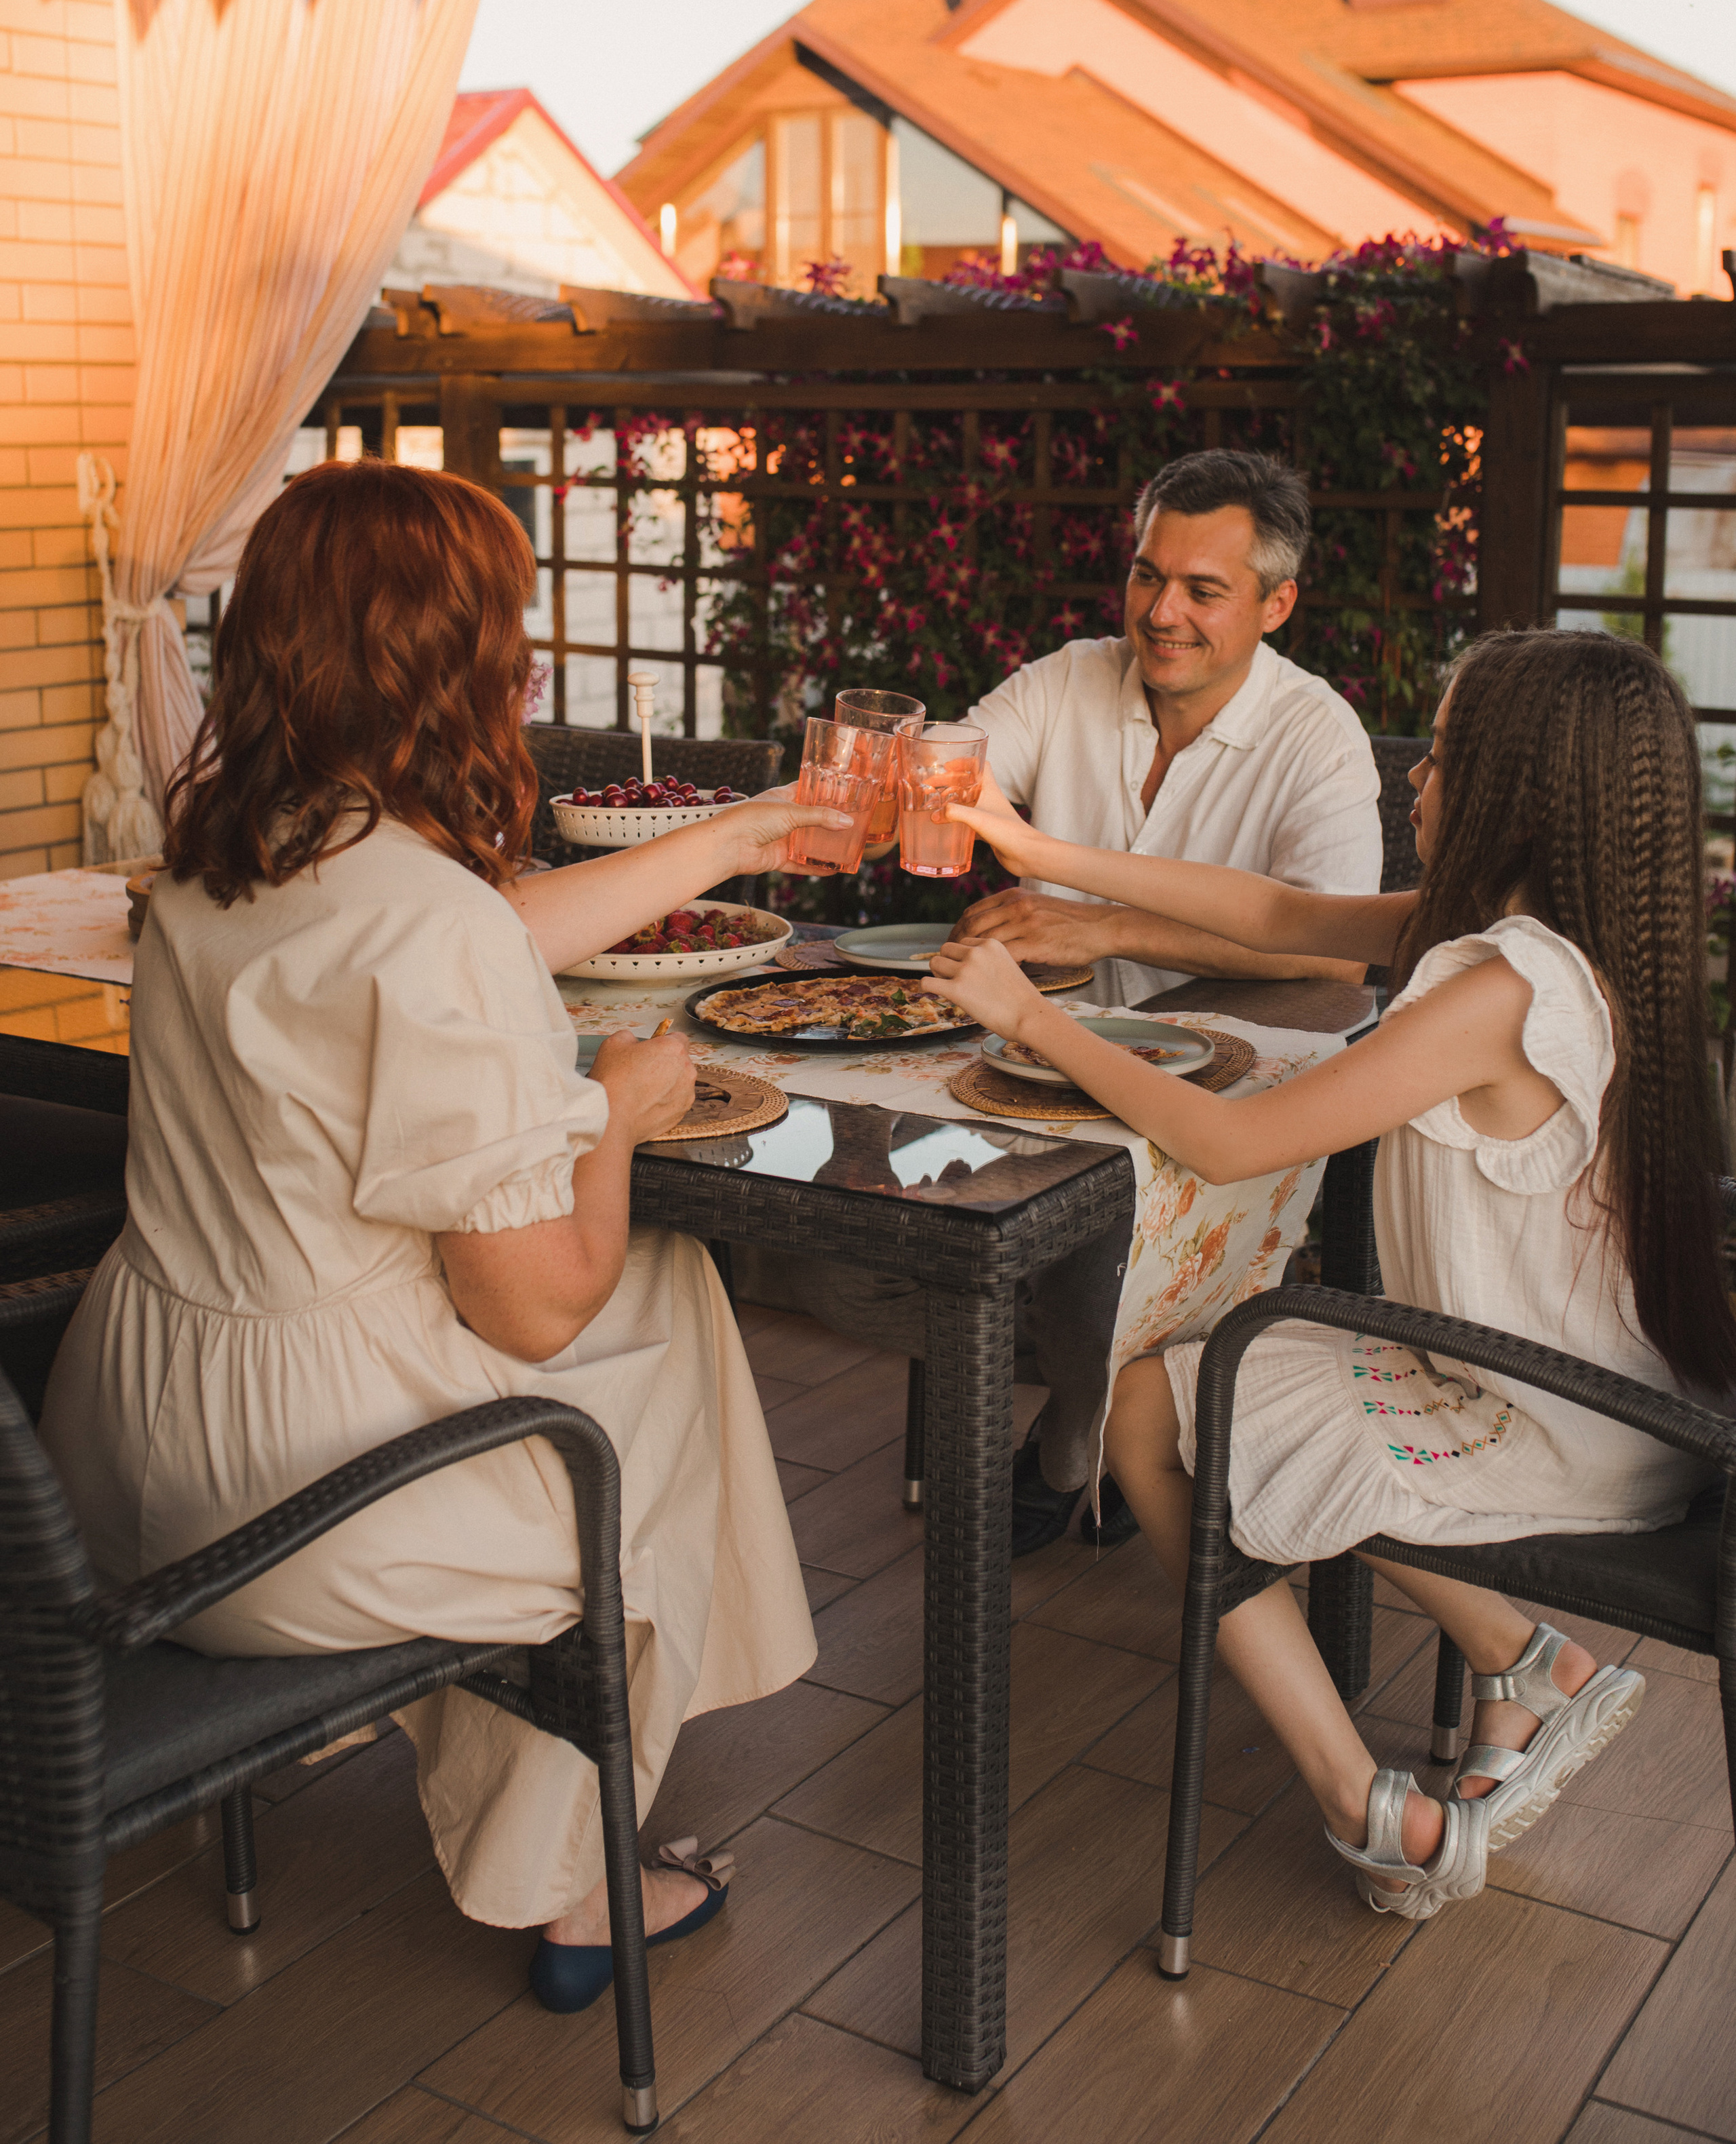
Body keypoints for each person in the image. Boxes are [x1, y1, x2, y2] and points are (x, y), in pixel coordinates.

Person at [41, 459, 849, 2015]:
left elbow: (474, 934)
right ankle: (574, 1884)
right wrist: (613, 1112)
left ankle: (557, 1831)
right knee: (640, 1390)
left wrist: (742, 833)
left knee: (663, 1296)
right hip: (297, 1510)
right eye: (511, 637)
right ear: (443, 666)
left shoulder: (226, 863)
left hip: (123, 1448)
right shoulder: (428, 924)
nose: (531, 670)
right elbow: (535, 1314)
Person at [930, 627, 1735, 1915]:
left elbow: (1234, 1138)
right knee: (1161, 1400)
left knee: (1164, 1403)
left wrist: (1031, 1018)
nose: (1412, 775)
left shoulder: (1494, 991)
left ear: (1514, 788)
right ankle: (1514, 1670)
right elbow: (1275, 913)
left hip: (1546, 1422)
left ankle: (1379, 1794)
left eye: (1442, 753)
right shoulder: (1549, 944)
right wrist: (1035, 854)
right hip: (1583, 1387)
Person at [954, 449, 1383, 1553]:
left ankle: (1072, 1451)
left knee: (1102, 1206)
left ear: (1277, 604)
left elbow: (1336, 958)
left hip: (1230, 1085)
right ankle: (1038, 1420)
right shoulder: (1071, 678)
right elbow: (948, 770)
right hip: (1028, 1058)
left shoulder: (1316, 734)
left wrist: (1107, 927)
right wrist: (922, 792)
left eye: (1204, 589)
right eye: (1149, 576)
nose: (1163, 613)